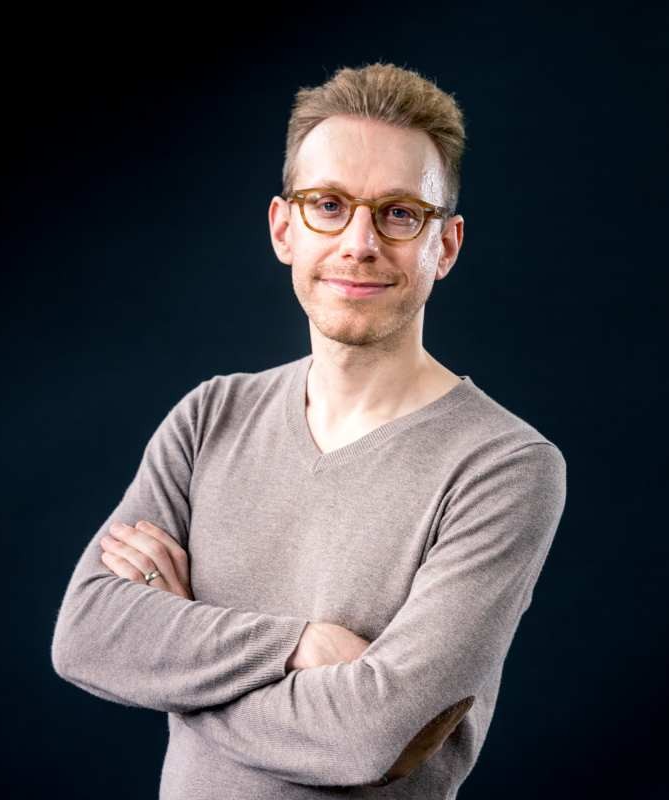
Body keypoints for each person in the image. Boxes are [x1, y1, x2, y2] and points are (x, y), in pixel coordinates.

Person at [51, 62, 568, 799]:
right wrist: (298, 646)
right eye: (329, 204)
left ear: (444, 246)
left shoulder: (503, 467)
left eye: (398, 213)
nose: (359, 242)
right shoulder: (209, 417)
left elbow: (370, 736)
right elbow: (88, 636)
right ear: (283, 227)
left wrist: (181, 651)